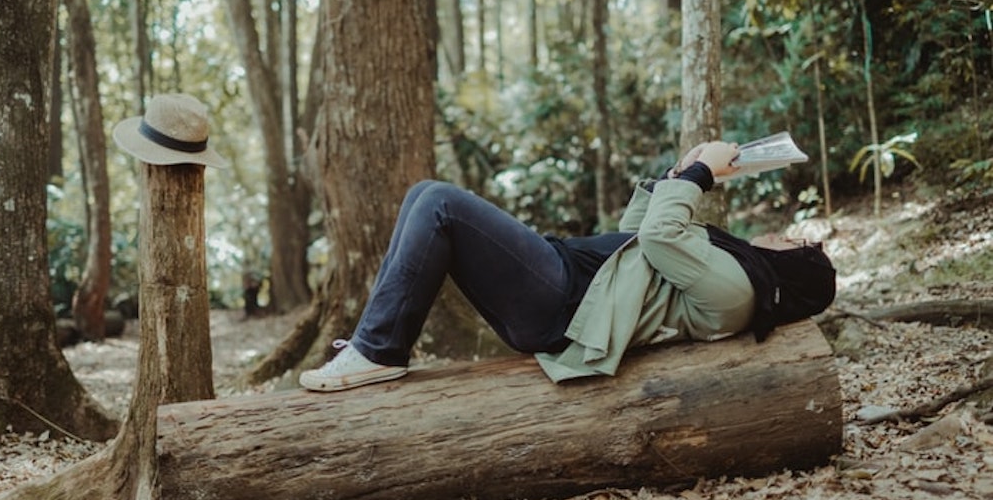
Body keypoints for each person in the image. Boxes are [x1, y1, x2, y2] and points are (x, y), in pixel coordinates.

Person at [299, 141, 836, 391]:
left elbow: (659, 236)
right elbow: (636, 239)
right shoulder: (735, 266)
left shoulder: (740, 294)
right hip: (567, 279)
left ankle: (377, 351)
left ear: (793, 269)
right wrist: (679, 173)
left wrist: (697, 176)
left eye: (795, 242)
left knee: (441, 202)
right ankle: (375, 343)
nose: (784, 233)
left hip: (565, 305)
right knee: (424, 194)